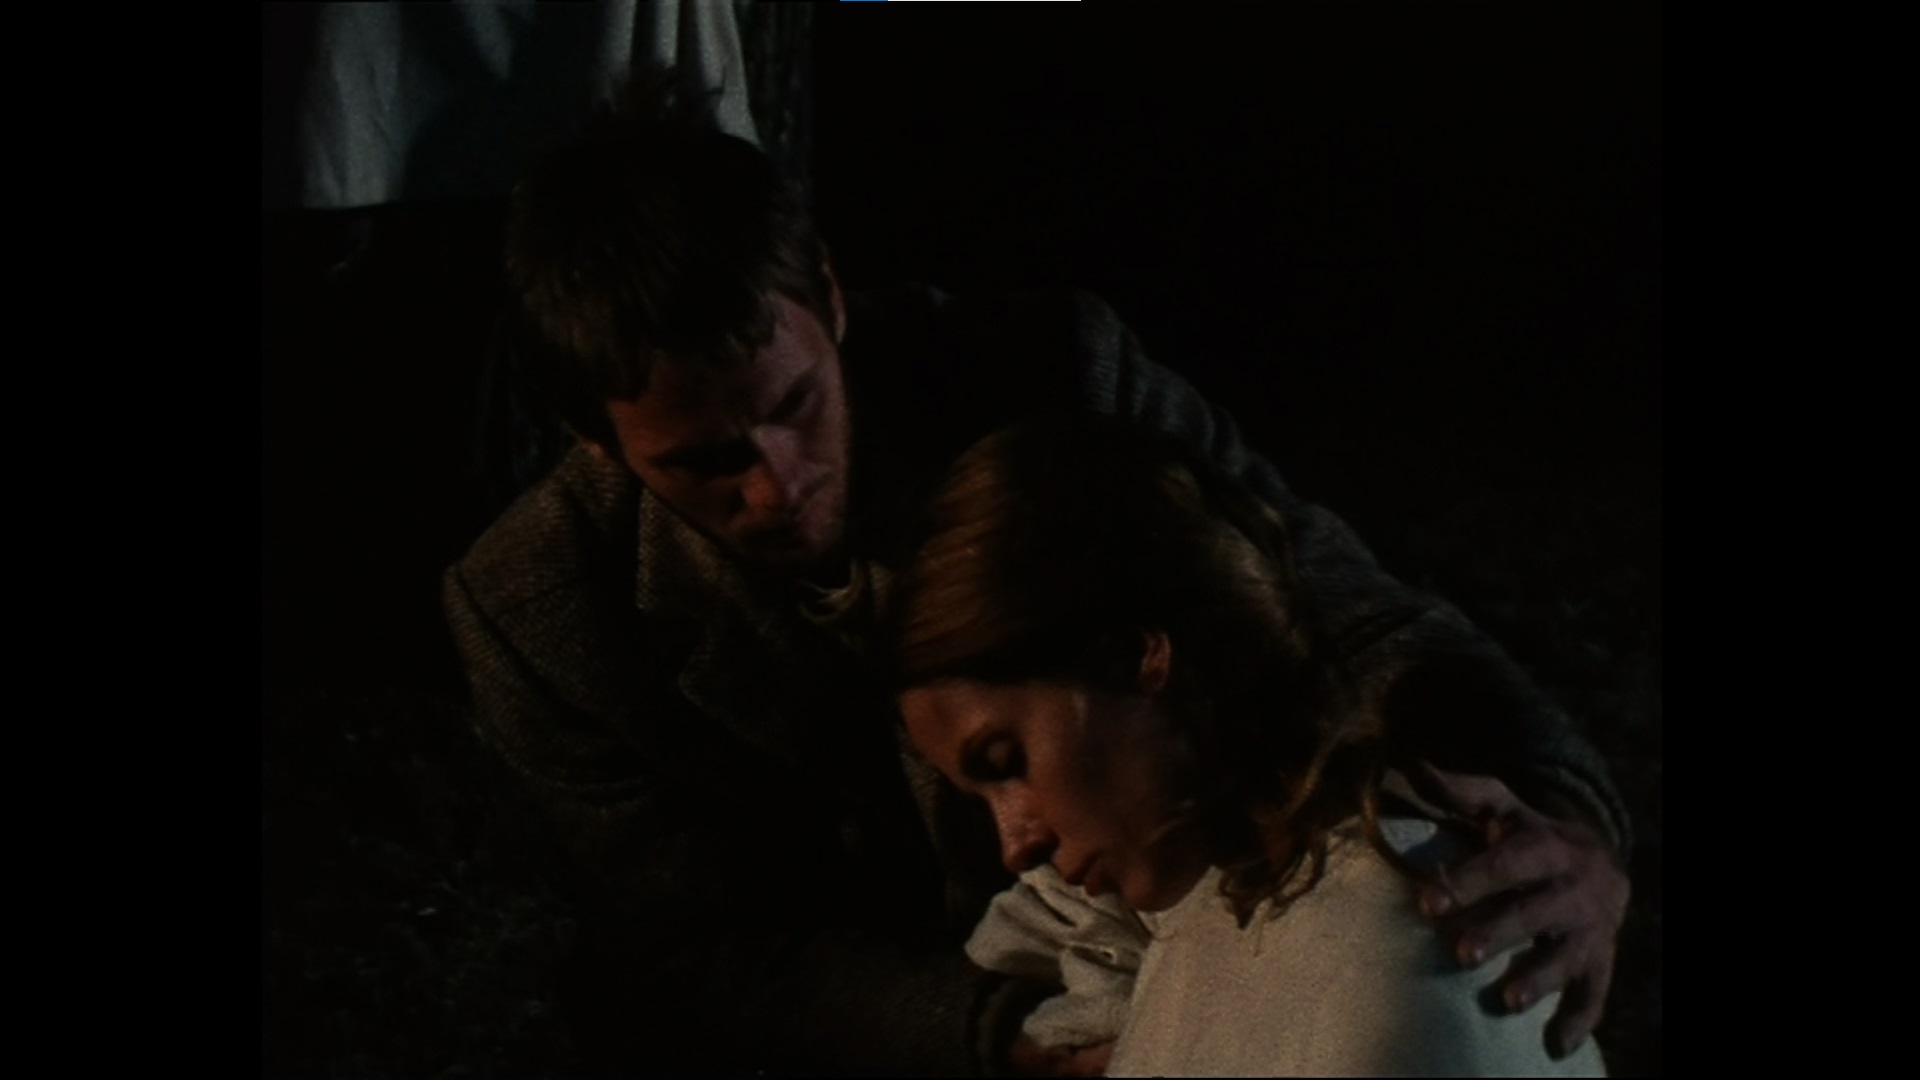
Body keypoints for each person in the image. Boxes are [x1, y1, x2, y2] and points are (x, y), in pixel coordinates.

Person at [441, 72, 1630, 1076]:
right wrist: (1006, 1037)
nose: (779, 483)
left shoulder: (1047, 372)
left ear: (831, 300)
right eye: (707, 463)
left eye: (796, 405)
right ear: (598, 442)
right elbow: (708, 949)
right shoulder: (540, 612)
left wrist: (1559, 827)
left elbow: (1336, 610)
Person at [892, 419, 1608, 1076]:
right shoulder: (1202, 926)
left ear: (1138, 657)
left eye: (1006, 763)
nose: (1014, 845)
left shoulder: (1384, 959)